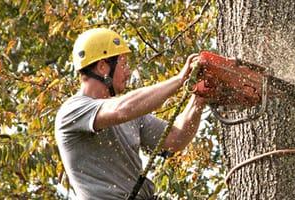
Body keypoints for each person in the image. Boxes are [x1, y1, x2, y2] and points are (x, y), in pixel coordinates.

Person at [54, 28, 205, 200]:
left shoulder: (130, 114)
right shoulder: (73, 111)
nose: (127, 72)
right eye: (123, 64)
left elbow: (175, 138)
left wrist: (199, 98)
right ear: (103, 67)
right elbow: (122, 110)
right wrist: (179, 80)